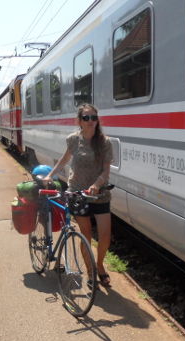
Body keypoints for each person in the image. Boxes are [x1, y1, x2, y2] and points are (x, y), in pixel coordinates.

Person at [43, 103, 113, 286]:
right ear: (79, 121)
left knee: (105, 236)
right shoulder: (73, 140)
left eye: (94, 117)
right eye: (87, 118)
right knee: (86, 235)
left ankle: (99, 265)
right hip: (78, 194)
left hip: (99, 194)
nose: (91, 121)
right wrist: (50, 174)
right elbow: (64, 159)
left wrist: (97, 184)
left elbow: (106, 170)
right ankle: (91, 273)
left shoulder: (105, 142)